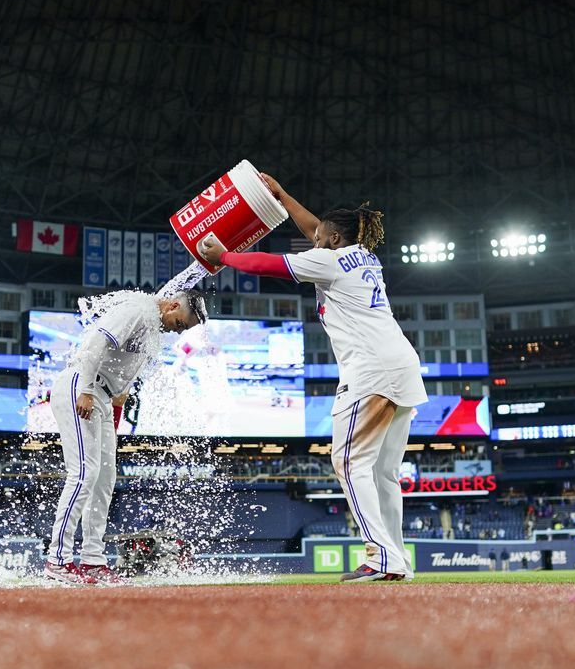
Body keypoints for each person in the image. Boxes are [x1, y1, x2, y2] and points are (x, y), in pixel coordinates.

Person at [202, 173, 427, 583]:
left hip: (371, 370)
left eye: (320, 237)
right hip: (402, 367)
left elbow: (269, 264)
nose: (313, 240)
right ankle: (396, 561)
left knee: (348, 461)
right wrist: (284, 196)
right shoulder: (361, 256)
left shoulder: (327, 259)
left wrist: (225, 256)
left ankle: (380, 558)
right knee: (382, 474)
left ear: (334, 239)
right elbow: (313, 228)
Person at [44, 289, 206, 585]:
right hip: (82, 386)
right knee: (83, 474)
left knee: (104, 480)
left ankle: (92, 560)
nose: (177, 330)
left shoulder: (153, 323)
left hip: (103, 396)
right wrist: (88, 390)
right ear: (172, 306)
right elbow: (96, 341)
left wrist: (116, 395)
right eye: (180, 323)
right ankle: (57, 559)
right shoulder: (138, 310)